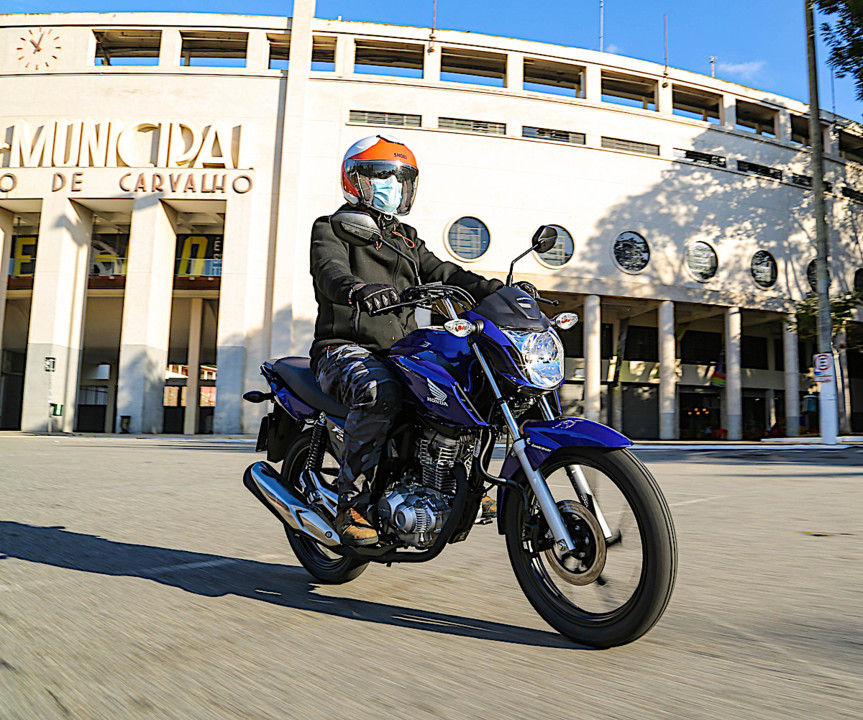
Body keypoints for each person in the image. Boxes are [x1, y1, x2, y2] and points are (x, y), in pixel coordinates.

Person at [309, 134, 537, 546]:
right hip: (344, 349)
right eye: (381, 176)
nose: (392, 187)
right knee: (379, 393)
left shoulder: (407, 238)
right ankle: (353, 504)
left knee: (465, 386)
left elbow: (445, 273)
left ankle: (458, 484)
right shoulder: (331, 227)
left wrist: (499, 292)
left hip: (398, 351)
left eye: (401, 179)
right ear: (354, 180)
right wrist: (357, 289)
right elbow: (330, 272)